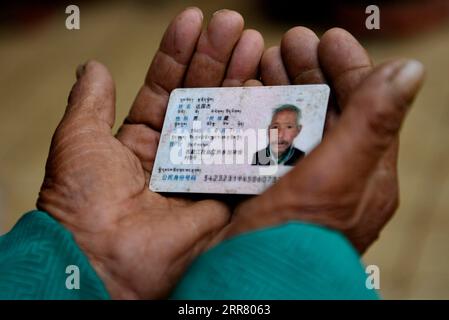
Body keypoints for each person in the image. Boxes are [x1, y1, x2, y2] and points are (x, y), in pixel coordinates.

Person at [0, 7, 424, 299]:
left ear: (296, 130)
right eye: (276, 124)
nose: (280, 131)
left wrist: (69, 261)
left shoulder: (292, 163)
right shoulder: (256, 162)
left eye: (288, 126)